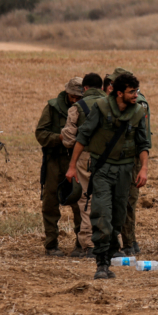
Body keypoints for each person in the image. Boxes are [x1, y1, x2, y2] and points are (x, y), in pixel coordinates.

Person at [69, 73, 150, 280]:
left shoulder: (138, 112)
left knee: (118, 217)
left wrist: (144, 169)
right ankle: (102, 263)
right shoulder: (101, 108)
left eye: (136, 91)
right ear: (119, 93)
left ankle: (111, 251)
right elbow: (83, 136)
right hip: (102, 169)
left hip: (125, 172)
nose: (136, 95)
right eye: (132, 92)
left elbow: (143, 144)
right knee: (102, 215)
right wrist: (72, 166)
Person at [60, 73, 108, 257]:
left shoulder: (77, 107)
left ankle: (89, 243)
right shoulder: (111, 104)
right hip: (110, 158)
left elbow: (68, 139)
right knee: (107, 198)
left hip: (85, 157)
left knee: (86, 199)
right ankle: (111, 240)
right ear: (102, 87)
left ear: (85, 88)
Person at [36, 77, 85, 256]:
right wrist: (60, 138)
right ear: (67, 93)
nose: (75, 100)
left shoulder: (87, 108)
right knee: (50, 202)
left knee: (80, 203)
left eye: (79, 97)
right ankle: (51, 244)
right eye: (72, 96)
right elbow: (41, 133)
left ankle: (81, 244)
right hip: (54, 161)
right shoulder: (52, 107)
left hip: (78, 161)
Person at [110, 68, 150, 257]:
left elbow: (142, 138)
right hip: (124, 158)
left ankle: (128, 241)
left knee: (126, 200)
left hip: (130, 158)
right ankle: (128, 241)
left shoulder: (136, 104)